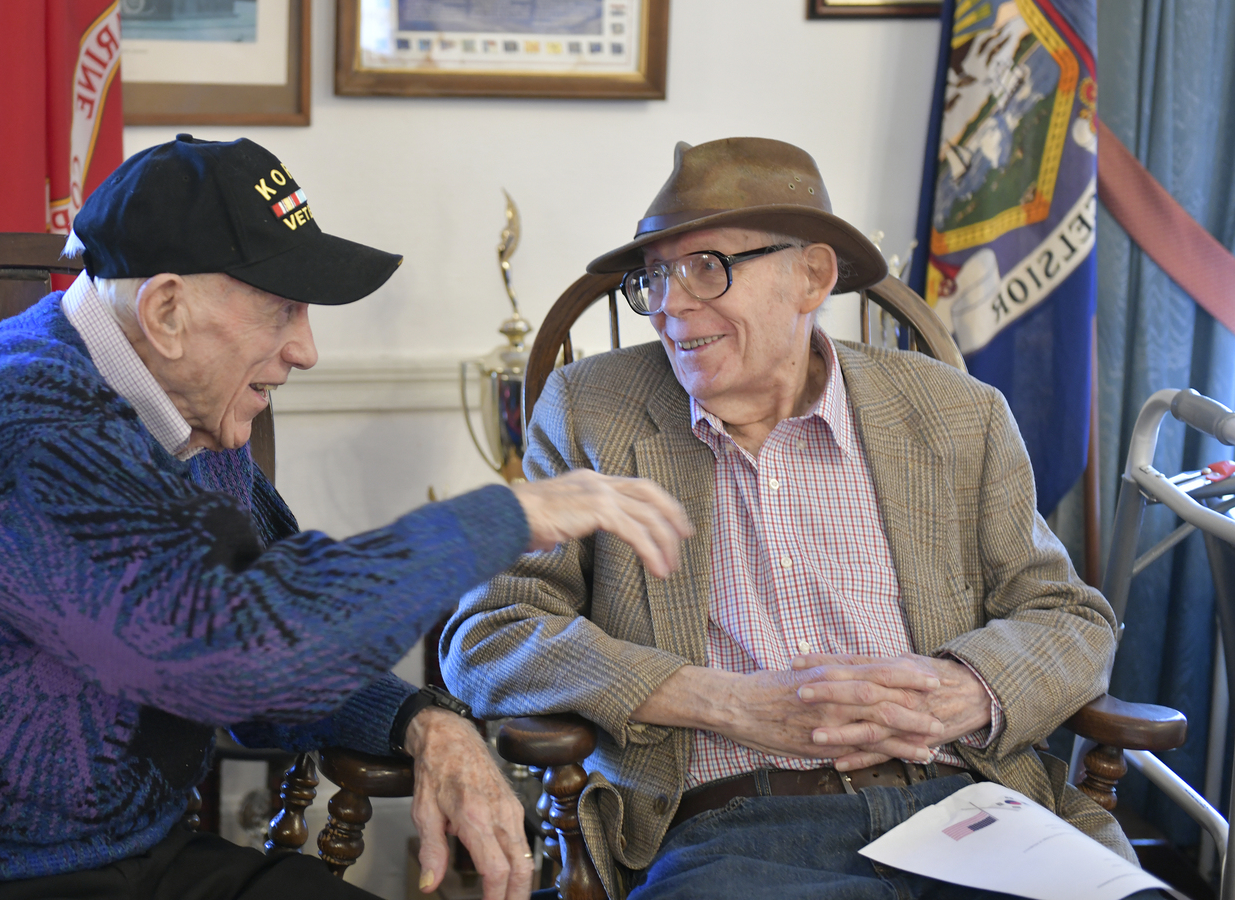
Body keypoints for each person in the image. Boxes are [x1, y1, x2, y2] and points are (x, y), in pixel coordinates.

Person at [0, 135, 691, 900]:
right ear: (169, 308)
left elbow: (284, 629)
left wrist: (424, 722)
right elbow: (226, 648)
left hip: (118, 855)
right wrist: (503, 518)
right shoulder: (18, 417)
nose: (305, 349)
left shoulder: (178, 407)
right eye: (283, 309)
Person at [441, 138, 1156, 900]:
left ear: (811, 275)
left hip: (972, 810)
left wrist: (968, 688)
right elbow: (489, 635)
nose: (671, 306)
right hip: (739, 832)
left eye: (706, 267)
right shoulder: (593, 413)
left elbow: (1071, 617)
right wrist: (719, 701)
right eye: (653, 277)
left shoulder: (956, 414)